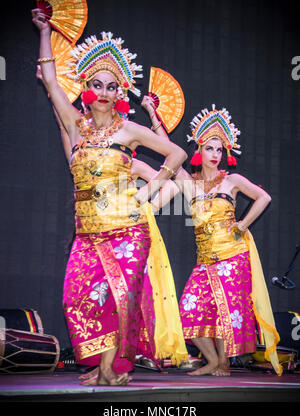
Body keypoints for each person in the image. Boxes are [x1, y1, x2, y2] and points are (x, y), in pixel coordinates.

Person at [31, 9, 187, 386]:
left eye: (111, 86)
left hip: (128, 230)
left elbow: (177, 154)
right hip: (88, 232)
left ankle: (110, 370)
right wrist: (44, 31)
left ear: (119, 93)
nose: (103, 93)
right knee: (77, 298)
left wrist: (146, 194)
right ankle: (104, 366)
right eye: (97, 85)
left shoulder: (129, 131)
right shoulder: (74, 126)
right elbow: (51, 83)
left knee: (121, 300)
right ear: (86, 87)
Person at [172, 105, 282, 376]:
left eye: (219, 149)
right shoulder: (191, 184)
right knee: (188, 309)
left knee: (225, 312)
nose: (215, 154)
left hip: (233, 255)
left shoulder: (231, 180)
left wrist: (243, 224)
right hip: (204, 260)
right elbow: (169, 154)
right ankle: (212, 361)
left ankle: (223, 363)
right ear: (199, 150)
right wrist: (154, 118)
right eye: (209, 148)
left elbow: (263, 197)